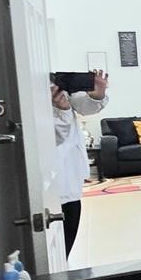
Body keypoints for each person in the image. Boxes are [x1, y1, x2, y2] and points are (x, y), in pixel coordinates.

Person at [52, 70, 108, 257]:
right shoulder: (38, 97)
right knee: (59, 247)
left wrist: (98, 94)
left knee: (64, 242)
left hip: (69, 179)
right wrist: (63, 110)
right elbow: (58, 135)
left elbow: (83, 107)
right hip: (55, 179)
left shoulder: (60, 90)